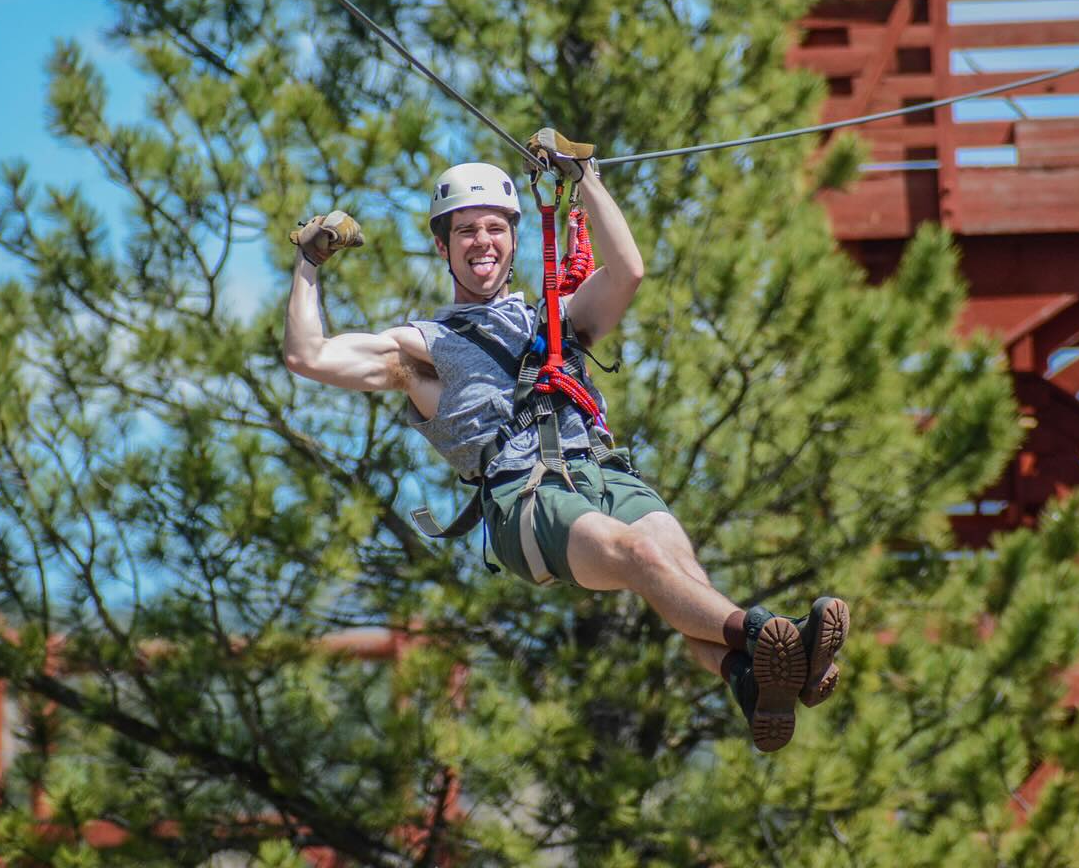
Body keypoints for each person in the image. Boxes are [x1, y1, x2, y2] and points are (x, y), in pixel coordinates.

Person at [282, 129, 848, 751]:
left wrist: (587, 178)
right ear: (443, 246)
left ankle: (750, 677)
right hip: (527, 500)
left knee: (686, 583)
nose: (482, 242)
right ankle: (773, 634)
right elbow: (307, 355)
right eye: (465, 230)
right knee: (647, 560)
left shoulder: (556, 318)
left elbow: (629, 270)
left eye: (495, 228)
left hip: (604, 472)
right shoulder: (423, 349)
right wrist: (308, 264)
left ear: (514, 238)